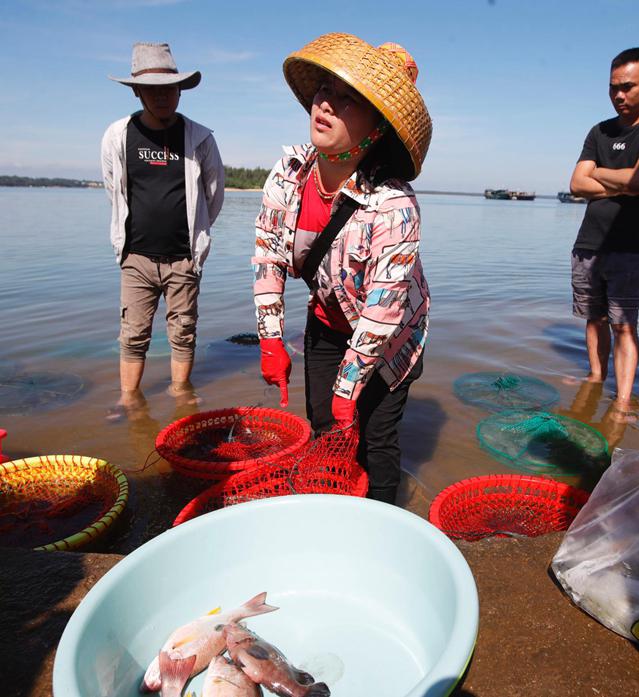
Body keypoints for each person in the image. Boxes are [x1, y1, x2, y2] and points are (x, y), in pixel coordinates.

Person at [253, 33, 431, 505]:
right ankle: (332, 512)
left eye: (348, 101)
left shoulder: (394, 206)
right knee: (322, 428)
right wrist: (271, 339)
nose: (326, 104)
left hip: (391, 339)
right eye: (326, 91)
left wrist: (349, 389)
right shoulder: (289, 170)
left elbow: (381, 315)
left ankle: (382, 524)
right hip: (328, 320)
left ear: (378, 129)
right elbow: (270, 252)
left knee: (376, 439)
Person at [101, 42, 224, 412]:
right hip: (136, 257)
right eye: (152, 89)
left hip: (183, 258)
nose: (162, 96)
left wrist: (195, 238)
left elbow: (214, 196)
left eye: (168, 88)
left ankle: (179, 394)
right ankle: (128, 401)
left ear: (180, 90)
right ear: (137, 91)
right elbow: (114, 190)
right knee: (133, 334)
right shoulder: (117, 135)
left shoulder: (200, 138)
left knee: (183, 333)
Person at [568, 47, 639, 409]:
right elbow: (576, 184)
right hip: (589, 243)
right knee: (593, 319)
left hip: (629, 245)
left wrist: (599, 172)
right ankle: (595, 379)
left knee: (624, 325)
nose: (619, 95)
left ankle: (623, 400)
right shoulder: (599, 131)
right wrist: (624, 183)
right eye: (613, 87)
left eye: (628, 87)